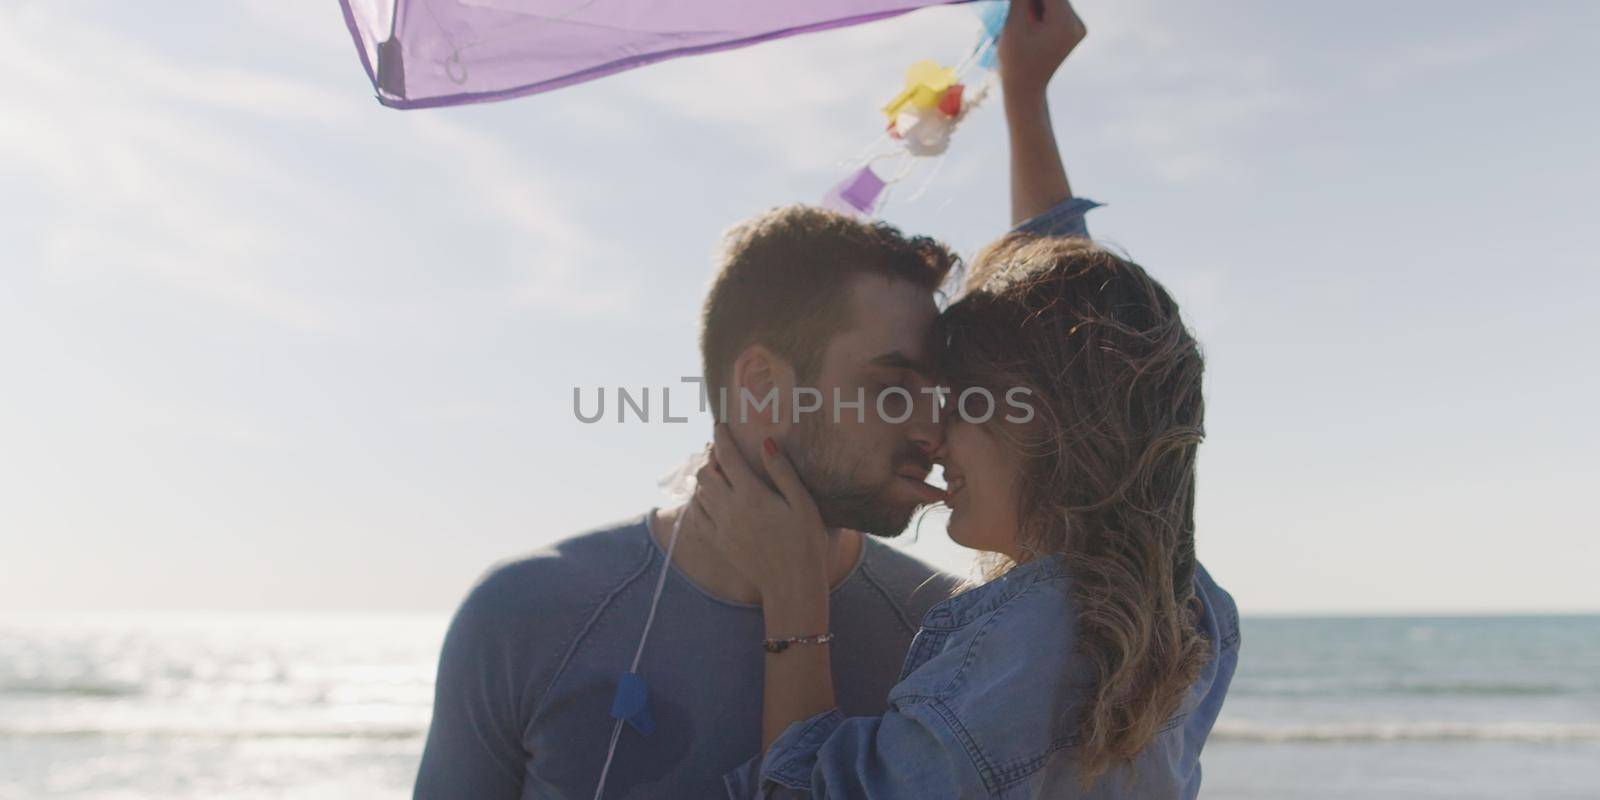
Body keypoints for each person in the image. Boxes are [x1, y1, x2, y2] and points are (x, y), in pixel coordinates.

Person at [411, 2, 1101, 797]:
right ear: (763, 387)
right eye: (890, 387)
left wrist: (1024, 97)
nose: (935, 426)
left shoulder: (950, 637)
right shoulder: (526, 615)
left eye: (939, 392)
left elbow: (1078, 374)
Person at [694, 2, 1241, 797]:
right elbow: (1085, 341)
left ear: (1050, 429)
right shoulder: (1186, 609)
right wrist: (1025, 94)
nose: (935, 435)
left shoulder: (1022, 653)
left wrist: (795, 607)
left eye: (963, 405)